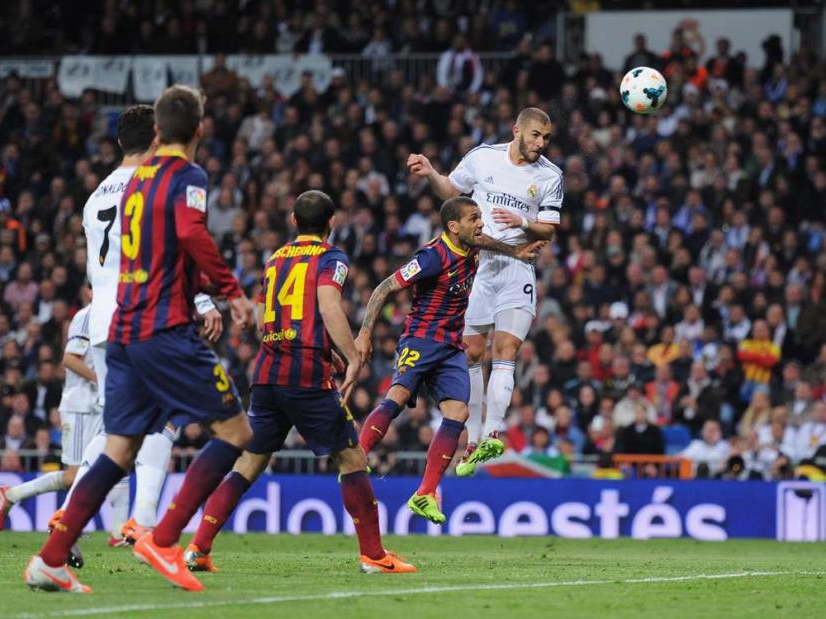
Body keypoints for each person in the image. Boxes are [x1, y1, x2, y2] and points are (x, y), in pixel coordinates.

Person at [23, 85, 255, 593]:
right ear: (199, 129)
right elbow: (192, 234)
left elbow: (141, 257)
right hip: (162, 328)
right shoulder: (184, 175)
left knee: (121, 446)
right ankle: (164, 540)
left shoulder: (130, 182)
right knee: (237, 433)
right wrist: (231, 292)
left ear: (157, 132)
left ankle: (52, 557)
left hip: (120, 325)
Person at [182, 190, 414, 575]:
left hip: (268, 374)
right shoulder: (330, 257)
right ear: (331, 223)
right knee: (351, 457)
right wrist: (353, 356)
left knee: (249, 463)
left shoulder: (274, 260)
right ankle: (373, 555)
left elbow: (260, 319)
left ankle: (198, 548)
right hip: (306, 375)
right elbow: (327, 304)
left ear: (293, 221)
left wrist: (317, 348)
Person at [356, 197, 540, 524]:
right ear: (454, 227)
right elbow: (384, 287)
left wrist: (515, 252)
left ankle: (425, 493)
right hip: (421, 339)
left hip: (452, 345)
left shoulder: (471, 244)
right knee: (397, 398)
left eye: (480, 216)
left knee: (458, 412)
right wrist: (365, 333)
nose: (480, 223)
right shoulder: (431, 257)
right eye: (474, 218)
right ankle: (355, 456)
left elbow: (486, 240)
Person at [406, 107, 562, 476]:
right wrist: (431, 173)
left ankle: (494, 431)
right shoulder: (483, 158)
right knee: (473, 353)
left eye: (547, 138)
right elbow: (450, 190)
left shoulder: (550, 176)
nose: (541, 143)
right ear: (517, 131)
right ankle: (473, 440)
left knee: (505, 349)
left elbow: (549, 228)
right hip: (476, 269)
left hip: (517, 267)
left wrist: (523, 221)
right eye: (536, 135)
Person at [0, 302, 129, 542]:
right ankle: (12, 494)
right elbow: (69, 359)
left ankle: (119, 531)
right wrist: (103, 380)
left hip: (106, 404)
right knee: (74, 476)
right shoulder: (87, 315)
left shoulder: (121, 314)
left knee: (121, 460)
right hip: (81, 406)